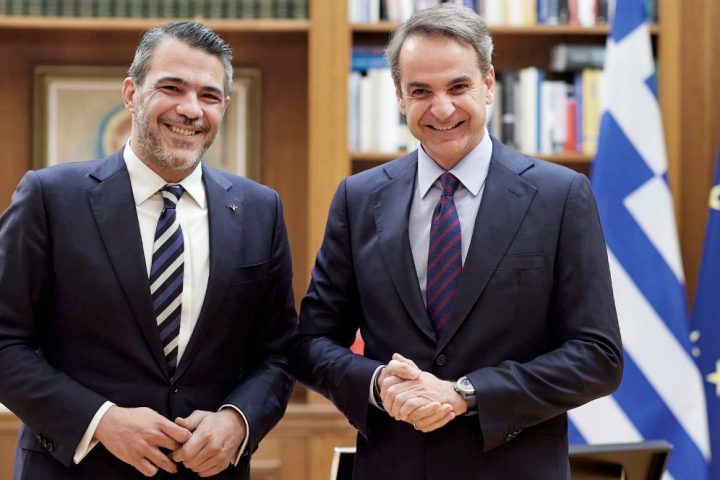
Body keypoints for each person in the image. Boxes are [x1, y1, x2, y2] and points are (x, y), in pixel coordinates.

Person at [291, 3, 622, 479]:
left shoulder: (560, 196)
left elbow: (597, 356)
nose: (441, 109)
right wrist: (379, 383)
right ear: (399, 97)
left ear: (488, 85)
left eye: (458, 87)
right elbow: (311, 343)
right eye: (421, 91)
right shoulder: (358, 198)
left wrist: (467, 393)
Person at [0, 21, 296, 479]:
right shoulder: (50, 198)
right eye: (172, 88)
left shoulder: (261, 209)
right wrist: (100, 421)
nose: (191, 109)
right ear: (131, 93)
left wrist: (238, 421)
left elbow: (279, 353)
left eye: (209, 95)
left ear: (224, 106)